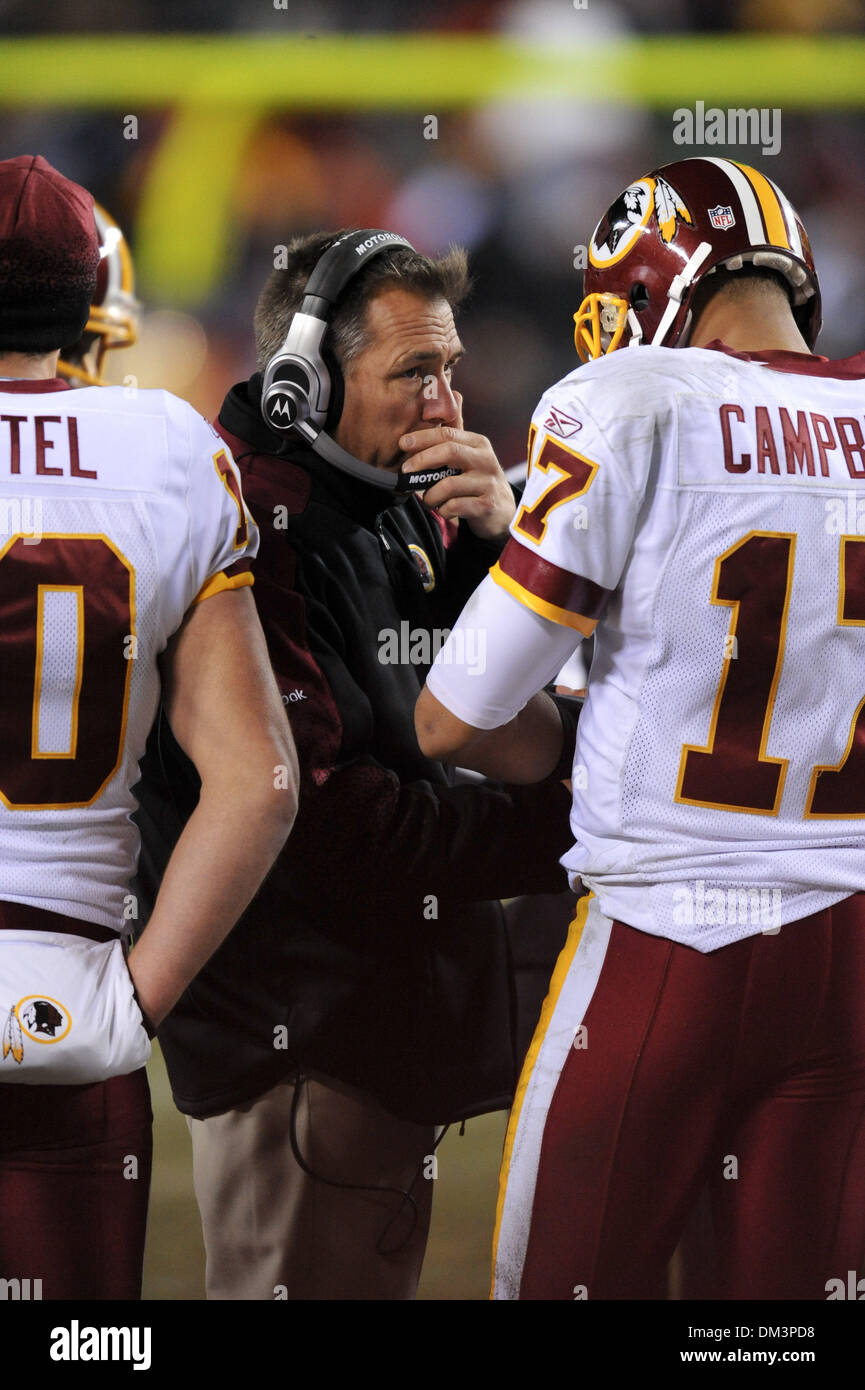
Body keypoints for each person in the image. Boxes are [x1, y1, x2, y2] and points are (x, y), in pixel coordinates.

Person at [415, 156, 865, 1301]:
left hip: (668, 945)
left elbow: (454, 713)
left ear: (659, 287)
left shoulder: (630, 405)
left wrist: (576, 727)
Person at [134, 227, 578, 1300]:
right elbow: (342, 823)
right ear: (301, 383)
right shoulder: (260, 530)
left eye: (451, 369)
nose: (446, 404)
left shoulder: (388, 509)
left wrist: (492, 558)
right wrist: (575, 821)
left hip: (367, 1030)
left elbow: (450, 718)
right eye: (411, 373)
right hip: (304, 1039)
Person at [0, 154, 298, 1301]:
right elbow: (260, 778)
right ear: (87, 301)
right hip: (70, 999)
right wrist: (139, 999)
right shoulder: (167, 450)